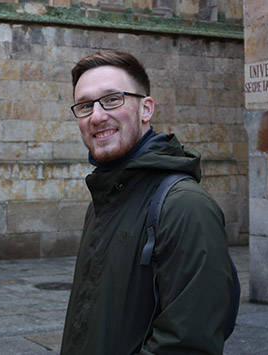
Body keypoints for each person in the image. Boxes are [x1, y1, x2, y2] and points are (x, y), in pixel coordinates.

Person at [60, 50, 234, 355]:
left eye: (112, 99)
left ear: (146, 109)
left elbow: (187, 344)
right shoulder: (106, 198)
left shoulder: (185, 207)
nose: (97, 116)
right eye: (85, 105)